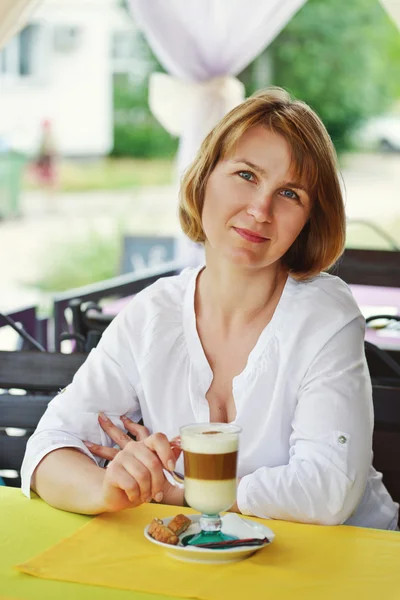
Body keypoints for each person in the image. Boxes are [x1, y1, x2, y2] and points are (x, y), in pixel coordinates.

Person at [21, 87, 398, 529]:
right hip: (212, 559)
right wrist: (109, 487)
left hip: (347, 566)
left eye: (290, 194)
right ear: (204, 179)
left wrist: (182, 493)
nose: (260, 210)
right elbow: (49, 448)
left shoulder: (325, 315)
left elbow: (328, 491)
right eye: (246, 175)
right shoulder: (152, 314)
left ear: (310, 219)